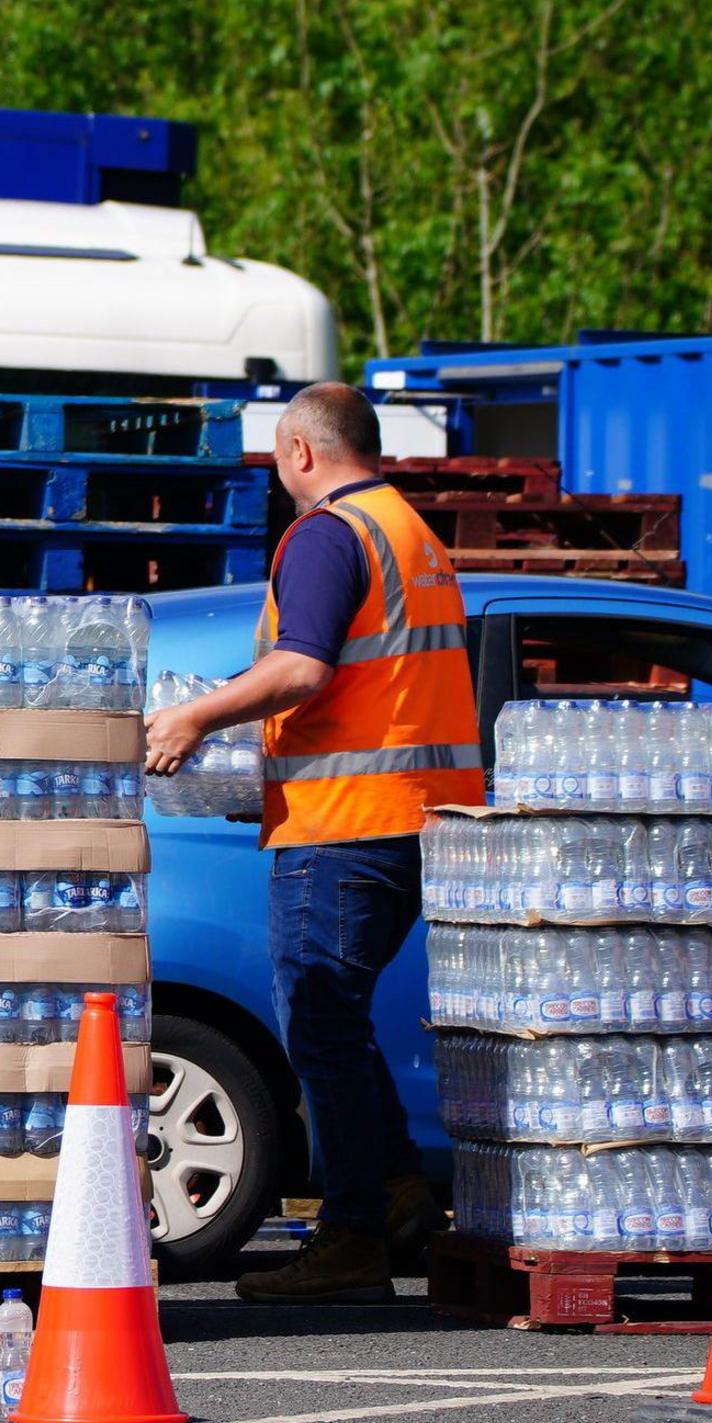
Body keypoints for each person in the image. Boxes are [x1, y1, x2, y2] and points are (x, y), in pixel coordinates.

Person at [143, 382, 483, 1303]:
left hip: (347, 825)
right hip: (411, 817)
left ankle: (353, 1236)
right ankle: (402, 1192)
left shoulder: (329, 535)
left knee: (320, 1021)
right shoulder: (410, 531)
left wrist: (194, 720)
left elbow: (301, 666)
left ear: (300, 452)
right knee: (335, 1019)